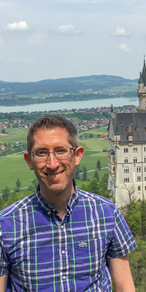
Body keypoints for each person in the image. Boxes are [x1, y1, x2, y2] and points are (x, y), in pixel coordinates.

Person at [0, 115, 137, 291]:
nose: (52, 163)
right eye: (41, 152)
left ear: (77, 155)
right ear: (29, 161)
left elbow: (124, 286)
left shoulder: (106, 213)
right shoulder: (6, 225)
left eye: (61, 150)